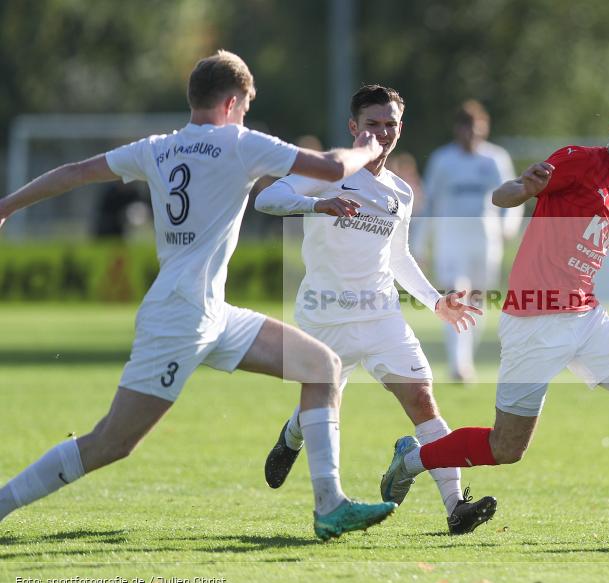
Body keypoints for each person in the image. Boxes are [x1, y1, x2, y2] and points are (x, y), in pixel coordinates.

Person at [0, 50, 397, 541]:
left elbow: (76, 171)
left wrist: (7, 206)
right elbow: (333, 165)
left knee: (322, 367)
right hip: (180, 317)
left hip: (211, 313)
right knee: (111, 442)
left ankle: (329, 504)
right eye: (246, 107)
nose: (246, 115)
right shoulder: (238, 142)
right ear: (233, 103)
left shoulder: (157, 147)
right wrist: (367, 145)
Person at [381, 93, 609, 542]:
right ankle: (412, 460)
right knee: (506, 448)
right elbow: (501, 194)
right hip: (534, 321)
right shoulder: (576, 161)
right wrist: (526, 189)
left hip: (585, 318)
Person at [255, 84, 497, 535]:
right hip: (325, 314)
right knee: (322, 405)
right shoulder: (328, 170)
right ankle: (291, 438)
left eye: (390, 125)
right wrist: (317, 203)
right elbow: (265, 200)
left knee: (422, 398)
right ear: (354, 127)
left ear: (400, 129)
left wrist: (435, 301)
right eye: (372, 124)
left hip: (381, 314)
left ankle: (455, 506)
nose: (382, 133)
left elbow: (398, 257)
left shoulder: (400, 192)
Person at [421, 100, 519, 382]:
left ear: (484, 128)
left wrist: (508, 225)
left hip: (485, 240)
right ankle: (458, 365)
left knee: (477, 299)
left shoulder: (495, 159)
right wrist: (419, 244)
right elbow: (429, 204)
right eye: (467, 129)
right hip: (450, 241)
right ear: (458, 129)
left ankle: (465, 359)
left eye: (478, 129)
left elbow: (514, 197)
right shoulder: (442, 160)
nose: (472, 135)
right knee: (455, 296)